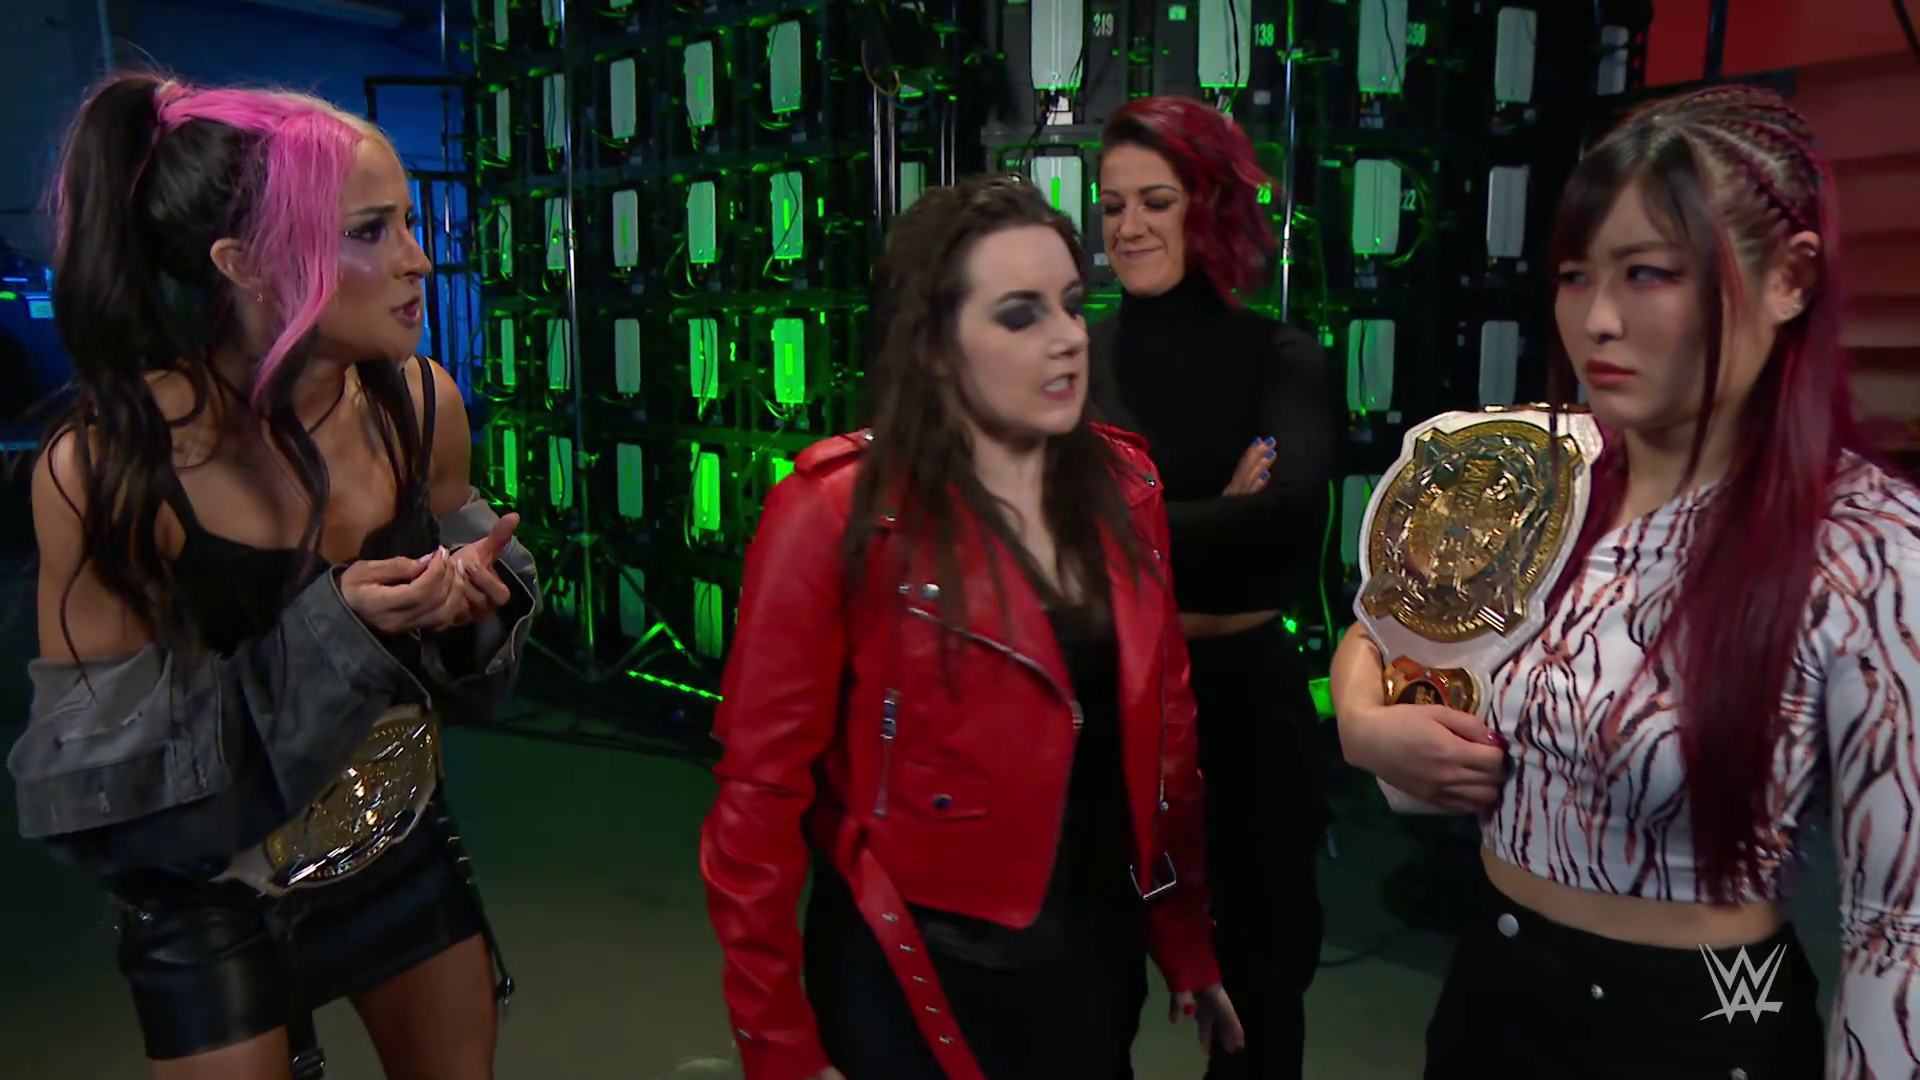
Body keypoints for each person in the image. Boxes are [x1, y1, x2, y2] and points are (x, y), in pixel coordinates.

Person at [1331, 84, 1920, 1077]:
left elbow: (1899, 931)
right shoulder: (1522, 466)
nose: (1597, 319)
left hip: (1699, 1026)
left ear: (1789, 278)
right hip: (1491, 997)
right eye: (1575, 275)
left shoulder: (1868, 549)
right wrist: (1360, 722)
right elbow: (1387, 629)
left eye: (1649, 274)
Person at [7, 75, 539, 1080]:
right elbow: (101, 780)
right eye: (371, 232)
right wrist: (337, 633)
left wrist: (470, 608)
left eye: (409, 222)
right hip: (211, 890)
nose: (419, 260)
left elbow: (475, 674)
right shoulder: (109, 469)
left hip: (393, 832)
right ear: (247, 265)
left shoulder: (423, 403)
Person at [700, 174, 1242, 1080]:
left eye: (1071, 303)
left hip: (1088, 955)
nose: (1068, 336)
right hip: (911, 959)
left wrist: (1181, 930)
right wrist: (776, 1041)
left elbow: (1165, 737)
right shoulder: (836, 511)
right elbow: (757, 798)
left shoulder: (1126, 488)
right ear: (935, 344)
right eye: (1020, 315)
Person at [1089, 95, 1339, 1080]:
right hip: (1109, 694)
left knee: (1260, 993)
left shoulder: (1284, 357)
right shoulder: (1081, 356)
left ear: (1212, 205)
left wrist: (1124, 522)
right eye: (1113, 206)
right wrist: (1211, 512)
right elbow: (1049, 534)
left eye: (1156, 201)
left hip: (1243, 701)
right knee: (1086, 988)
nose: (1129, 227)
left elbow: (1287, 519)